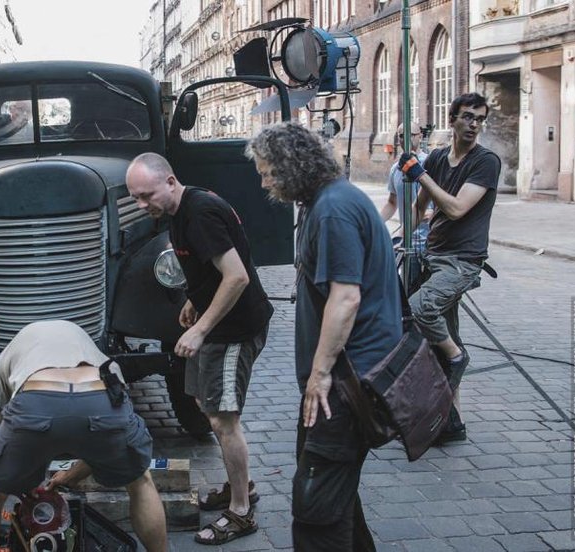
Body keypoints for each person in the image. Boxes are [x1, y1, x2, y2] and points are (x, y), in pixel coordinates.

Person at [245, 123, 402, 551]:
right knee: (333, 489)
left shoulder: (333, 208)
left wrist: (319, 375)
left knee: (317, 502)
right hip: (344, 380)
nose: (264, 182)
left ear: (294, 165)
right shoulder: (329, 200)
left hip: (345, 384)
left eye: (268, 172)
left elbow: (346, 298)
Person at [125, 152, 273, 546]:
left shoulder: (200, 212)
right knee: (211, 411)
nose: (142, 206)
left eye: (146, 195)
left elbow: (237, 276)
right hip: (220, 325)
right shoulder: (180, 210)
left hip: (234, 330)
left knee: (224, 421)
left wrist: (201, 329)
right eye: (135, 198)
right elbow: (215, 269)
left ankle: (241, 511)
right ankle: (241, 484)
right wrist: (196, 299)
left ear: (170, 181)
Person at [0, 320, 167, 552]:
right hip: (99, 393)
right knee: (140, 481)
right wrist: (73, 473)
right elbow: (103, 433)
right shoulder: (92, 350)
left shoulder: (9, 353)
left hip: (37, 396)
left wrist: (0, 475)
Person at [398, 92, 502, 444]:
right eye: (468, 117)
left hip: (462, 261)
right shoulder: (441, 158)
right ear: (452, 118)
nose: (474, 124)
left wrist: (421, 174)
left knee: (419, 310)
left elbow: (457, 209)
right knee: (442, 335)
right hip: (433, 255)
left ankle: (458, 359)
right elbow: (419, 207)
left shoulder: (486, 162)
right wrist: (397, 240)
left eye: (479, 119)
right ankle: (452, 422)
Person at [380, 122, 432, 250]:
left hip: (430, 241)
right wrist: (376, 222)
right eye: (402, 135)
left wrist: (432, 213)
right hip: (405, 240)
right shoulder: (395, 169)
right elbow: (392, 203)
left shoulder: (431, 162)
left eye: (411, 135)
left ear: (420, 136)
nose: (406, 139)